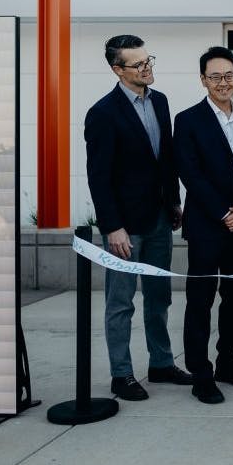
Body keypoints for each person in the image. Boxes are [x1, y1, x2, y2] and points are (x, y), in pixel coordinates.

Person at [84, 34, 191, 401]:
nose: (147, 68)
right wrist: (112, 226)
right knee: (121, 302)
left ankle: (161, 364)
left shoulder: (159, 102)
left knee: (159, 298)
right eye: (139, 64)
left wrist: (174, 202)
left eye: (149, 61)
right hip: (124, 229)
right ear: (118, 70)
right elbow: (99, 177)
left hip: (160, 219)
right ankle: (122, 374)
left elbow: (165, 160)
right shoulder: (102, 113)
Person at [174, 47, 233, 404]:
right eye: (215, 77)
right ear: (203, 80)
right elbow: (190, 173)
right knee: (200, 301)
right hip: (208, 225)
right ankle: (201, 373)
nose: (223, 83)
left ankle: (227, 362)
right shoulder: (188, 119)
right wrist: (224, 211)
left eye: (228, 76)